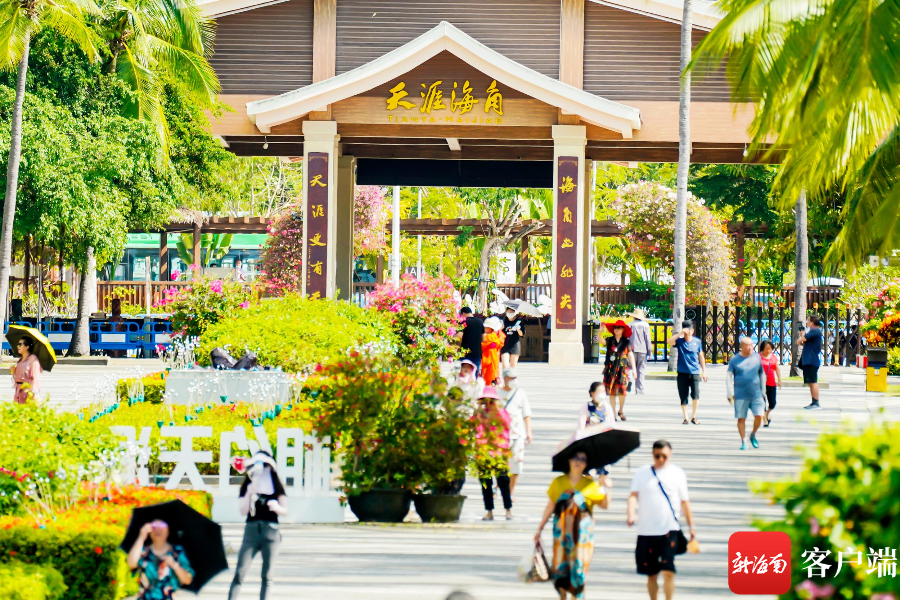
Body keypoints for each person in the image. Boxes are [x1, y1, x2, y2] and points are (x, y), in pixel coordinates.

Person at [534, 451, 610, 600]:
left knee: (579, 572)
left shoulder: (591, 485)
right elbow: (550, 506)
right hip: (561, 535)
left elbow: (604, 505)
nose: (578, 461)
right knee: (560, 571)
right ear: (568, 460)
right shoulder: (558, 482)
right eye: (575, 458)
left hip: (583, 537)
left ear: (586, 464)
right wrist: (539, 529)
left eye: (582, 459)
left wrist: (606, 488)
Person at [627, 441, 695, 600]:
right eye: (657, 456)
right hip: (646, 531)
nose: (660, 459)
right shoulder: (642, 473)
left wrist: (692, 526)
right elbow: (633, 496)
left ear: (670, 454)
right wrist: (631, 514)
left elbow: (684, 501)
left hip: (669, 529)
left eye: (664, 456)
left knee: (668, 571)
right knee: (651, 574)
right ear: (652, 454)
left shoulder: (677, 473)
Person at [228, 451, 288, 600]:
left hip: (271, 532)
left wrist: (276, 507)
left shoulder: (276, 484)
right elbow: (243, 511)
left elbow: (285, 510)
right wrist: (249, 493)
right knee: (240, 573)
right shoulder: (247, 485)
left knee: (267, 576)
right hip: (251, 531)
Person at [127, 519, 194, 599]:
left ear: (168, 530)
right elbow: (131, 563)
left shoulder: (177, 551)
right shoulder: (143, 551)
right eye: (154, 526)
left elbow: (187, 580)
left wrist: (174, 565)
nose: (158, 529)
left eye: (162, 525)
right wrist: (141, 537)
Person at [476, 386, 513, 520]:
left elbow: (506, 427)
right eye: (485, 401)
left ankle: (508, 509)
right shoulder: (480, 414)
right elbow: (476, 430)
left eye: (491, 401)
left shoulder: (502, 413)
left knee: (503, 481)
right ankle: (489, 511)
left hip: (499, 452)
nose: (488, 404)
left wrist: (496, 410)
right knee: (486, 483)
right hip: (484, 452)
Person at [726, 337, 767, 450]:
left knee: (759, 416)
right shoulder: (735, 360)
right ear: (742, 346)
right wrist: (729, 393)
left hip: (756, 393)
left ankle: (753, 434)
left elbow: (762, 374)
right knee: (741, 418)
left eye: (751, 345)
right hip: (740, 394)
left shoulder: (756, 357)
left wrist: (763, 391)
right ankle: (743, 441)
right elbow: (729, 377)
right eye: (747, 345)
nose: (750, 348)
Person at [499, 368, 532, 497]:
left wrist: (529, 431)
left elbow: (526, 414)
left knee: (517, 466)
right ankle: (499, 488)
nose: (514, 380)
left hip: (518, 433)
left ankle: (510, 493)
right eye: (511, 378)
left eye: (515, 378)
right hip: (501, 435)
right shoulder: (497, 393)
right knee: (501, 466)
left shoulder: (520, 393)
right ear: (505, 379)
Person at [667, 321, 707, 425]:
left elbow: (701, 357)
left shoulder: (697, 342)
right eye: (686, 330)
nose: (687, 333)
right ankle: (685, 417)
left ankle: (694, 416)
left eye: (689, 330)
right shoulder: (679, 341)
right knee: (683, 396)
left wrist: (704, 372)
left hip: (694, 372)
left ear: (692, 331)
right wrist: (680, 333)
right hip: (682, 372)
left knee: (695, 395)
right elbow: (669, 341)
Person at [603, 319, 636, 421]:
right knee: (612, 393)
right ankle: (613, 413)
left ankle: (620, 410)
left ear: (622, 330)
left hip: (622, 370)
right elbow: (601, 341)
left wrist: (634, 369)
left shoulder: (626, 342)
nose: (616, 329)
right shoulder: (610, 340)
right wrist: (599, 333)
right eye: (615, 328)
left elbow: (630, 355)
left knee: (622, 392)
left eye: (619, 328)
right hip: (611, 370)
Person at [797, 315, 823, 410]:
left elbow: (804, 339)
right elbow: (803, 342)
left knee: (813, 382)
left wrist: (803, 334)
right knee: (810, 382)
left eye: (808, 321)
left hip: (811, 360)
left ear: (812, 322)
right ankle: (813, 401)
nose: (807, 322)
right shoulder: (813, 332)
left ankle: (816, 402)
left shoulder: (815, 331)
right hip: (809, 360)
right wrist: (801, 339)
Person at [628, 308, 652, 394]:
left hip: (631, 350)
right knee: (641, 369)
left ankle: (629, 380)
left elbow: (627, 337)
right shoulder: (645, 325)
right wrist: (650, 351)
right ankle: (639, 389)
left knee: (630, 367)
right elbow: (647, 339)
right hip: (642, 350)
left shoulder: (629, 325)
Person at [759, 340, 782, 427]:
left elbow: (777, 369)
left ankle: (767, 413)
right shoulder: (758, 357)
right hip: (760, 382)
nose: (768, 351)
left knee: (772, 403)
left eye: (770, 349)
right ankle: (764, 419)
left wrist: (779, 380)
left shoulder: (773, 357)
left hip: (771, 382)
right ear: (762, 349)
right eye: (766, 349)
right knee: (762, 402)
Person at [13, 336, 42, 404]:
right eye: (18, 344)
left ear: (27, 347)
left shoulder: (33, 360)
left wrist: (33, 394)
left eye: (20, 344)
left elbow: (35, 377)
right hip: (18, 392)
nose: (18, 346)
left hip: (28, 392)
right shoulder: (20, 359)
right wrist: (14, 370)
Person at [458, 307, 484, 373]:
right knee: (475, 373)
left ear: (463, 313)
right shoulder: (480, 322)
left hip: (465, 352)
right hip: (477, 352)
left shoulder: (463, 322)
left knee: (465, 374)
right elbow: (484, 338)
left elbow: (459, 336)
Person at [481, 316, 505, 386]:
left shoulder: (494, 335)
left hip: (492, 358)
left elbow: (499, 344)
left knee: (491, 373)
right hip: (485, 358)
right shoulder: (484, 335)